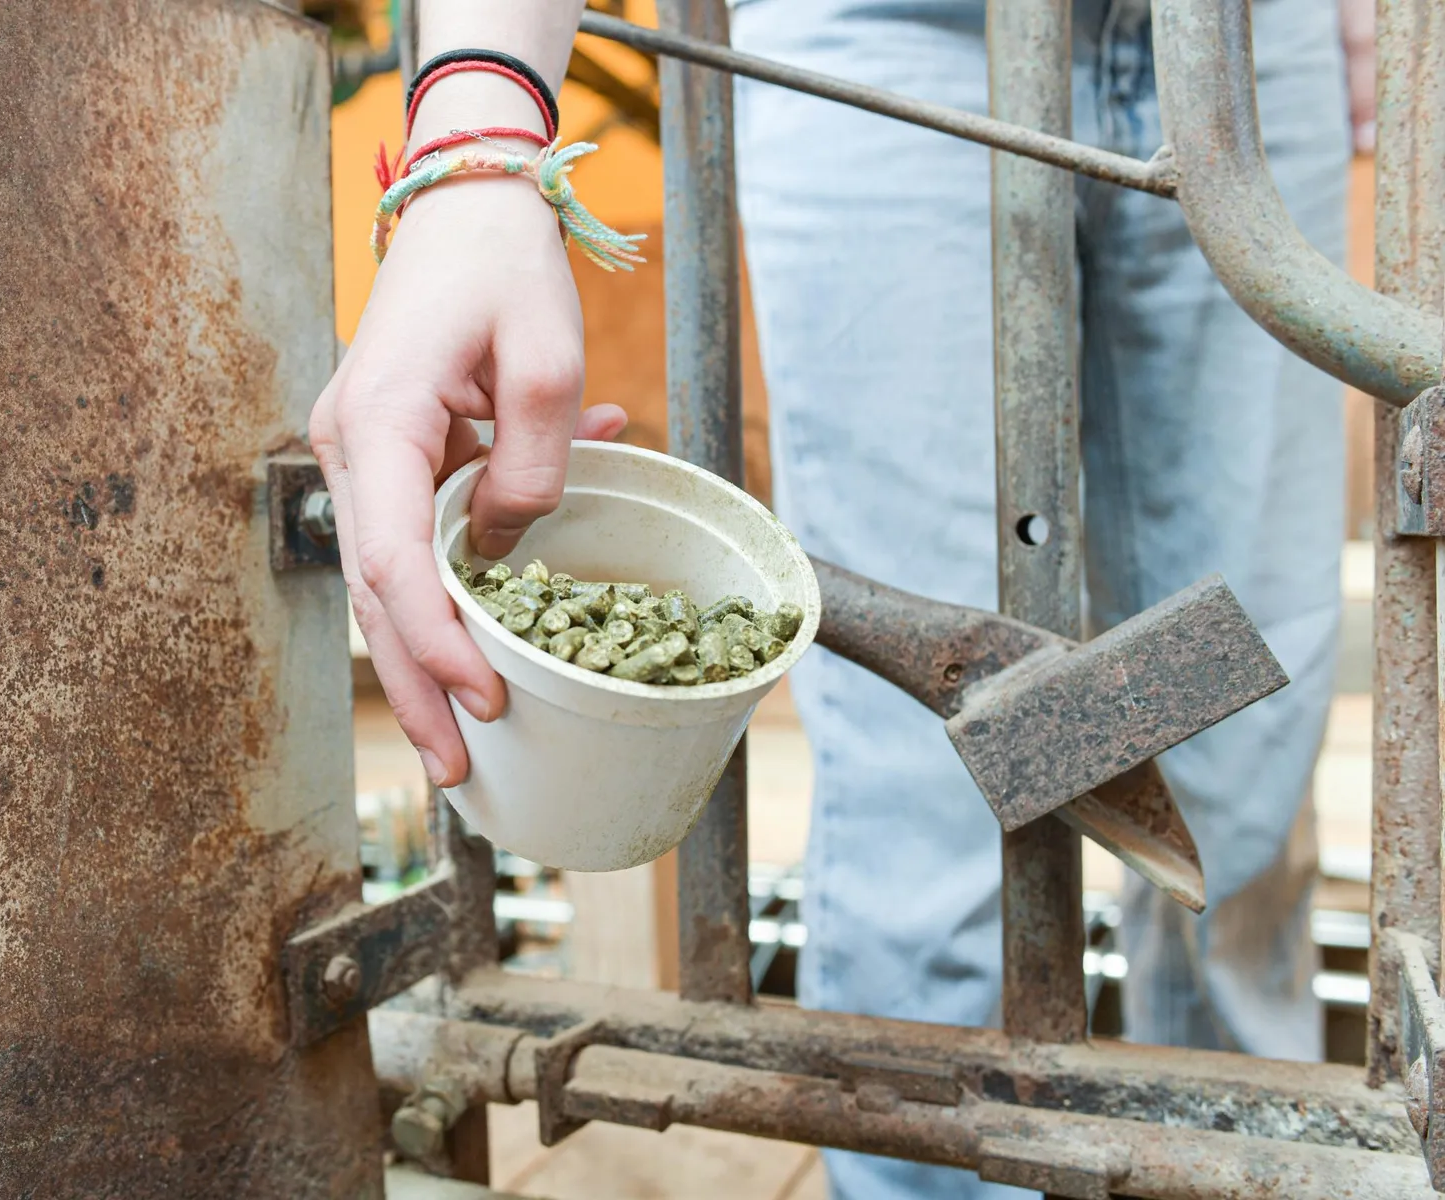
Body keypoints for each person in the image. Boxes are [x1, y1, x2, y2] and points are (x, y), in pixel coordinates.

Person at [310, 1, 1371, 1195]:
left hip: (1241, 43)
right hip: (885, 34)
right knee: (928, 799)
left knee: (1245, 765)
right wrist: (478, 131)